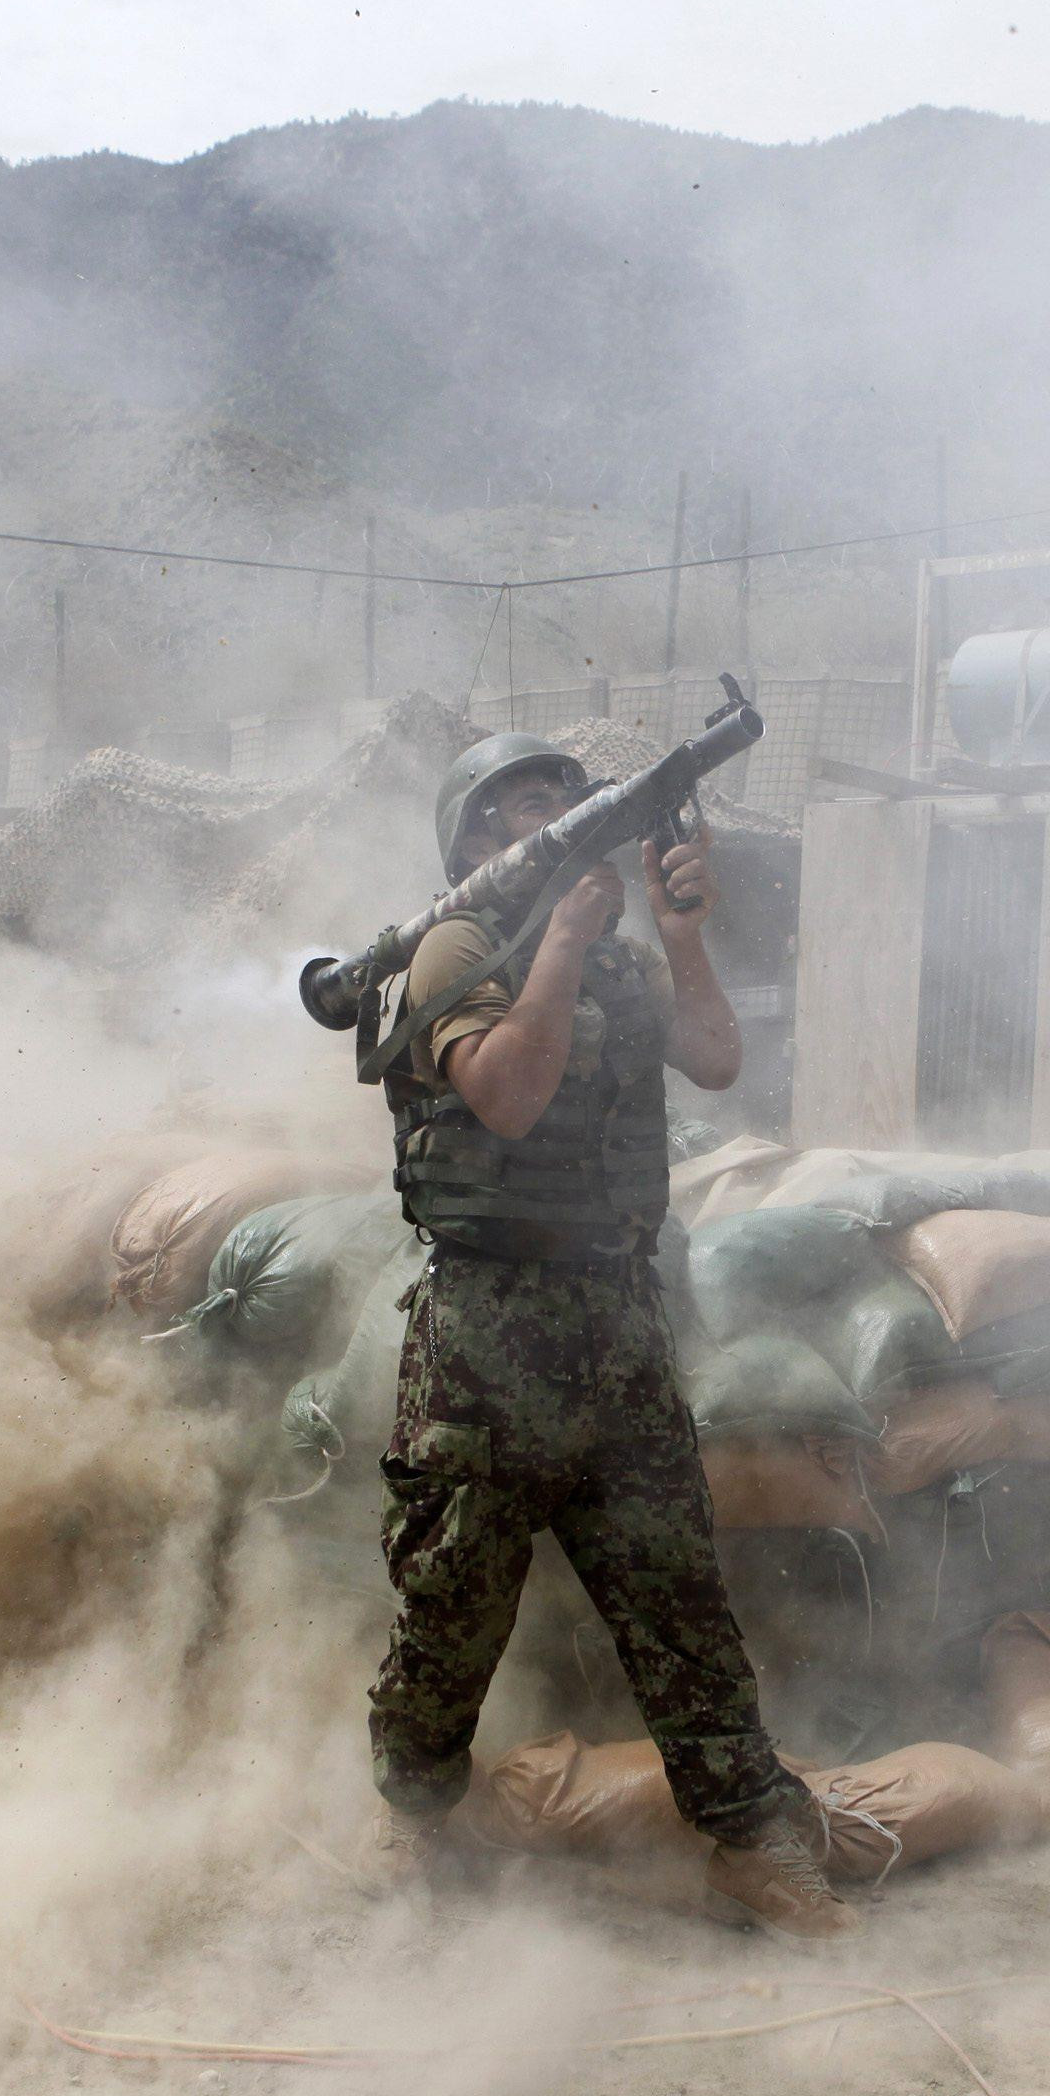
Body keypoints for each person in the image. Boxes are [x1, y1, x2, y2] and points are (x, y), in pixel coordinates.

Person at [352, 732, 858, 1941]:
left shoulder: (624, 963)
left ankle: (746, 1837)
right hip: (487, 1333)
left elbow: (720, 1059)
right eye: (528, 808)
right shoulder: (454, 951)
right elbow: (508, 1097)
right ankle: (413, 1813)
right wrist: (565, 943)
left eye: (569, 802)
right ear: (477, 842)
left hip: (617, 1317)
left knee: (675, 1592)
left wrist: (679, 940)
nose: (562, 820)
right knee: (449, 1606)